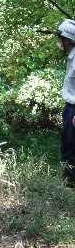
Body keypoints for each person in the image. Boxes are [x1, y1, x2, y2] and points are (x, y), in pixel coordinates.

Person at [57, 19, 75, 187]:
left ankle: (70, 184)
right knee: (67, 143)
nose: (59, 41)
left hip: (74, 110)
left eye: (61, 38)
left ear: (68, 39)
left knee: (71, 146)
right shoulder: (72, 56)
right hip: (70, 108)